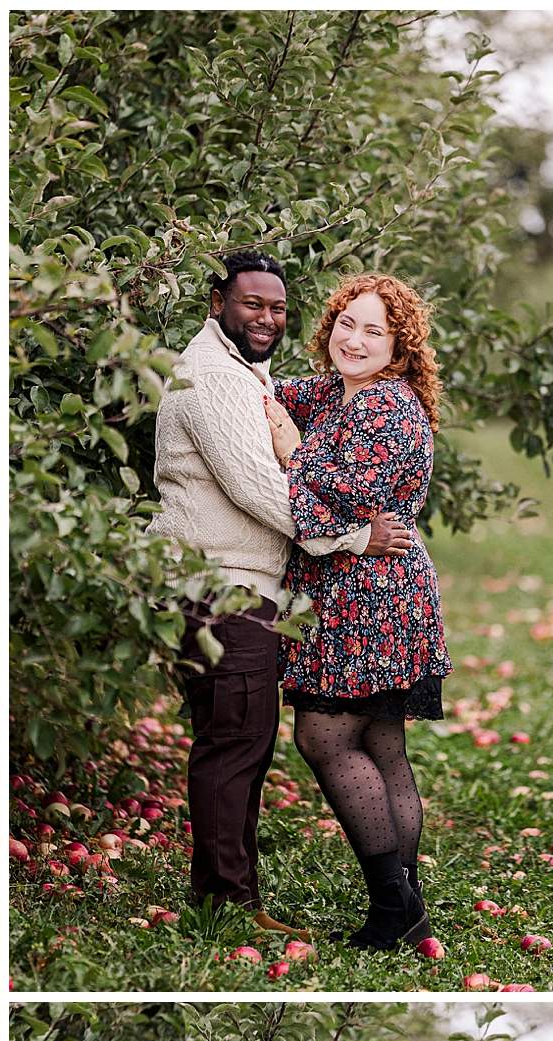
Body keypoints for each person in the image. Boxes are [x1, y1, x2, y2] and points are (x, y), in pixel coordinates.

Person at [152, 250, 415, 937]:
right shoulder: (216, 377)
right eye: (251, 305)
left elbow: (314, 453)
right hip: (219, 585)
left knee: (249, 743)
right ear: (217, 302)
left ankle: (260, 901)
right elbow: (258, 488)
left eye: (277, 307)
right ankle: (226, 906)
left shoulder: (253, 374)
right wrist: (355, 538)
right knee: (237, 743)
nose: (266, 318)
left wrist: (299, 452)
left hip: (263, 589)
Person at [265, 274, 451, 951]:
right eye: (347, 322)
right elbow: (257, 394)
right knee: (379, 743)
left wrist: (291, 453)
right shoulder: (331, 393)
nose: (355, 338)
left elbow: (348, 497)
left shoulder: (388, 409)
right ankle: (405, 906)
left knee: (324, 738)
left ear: (399, 348)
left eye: (375, 331)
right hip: (362, 588)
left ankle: (391, 908)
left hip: (371, 593)